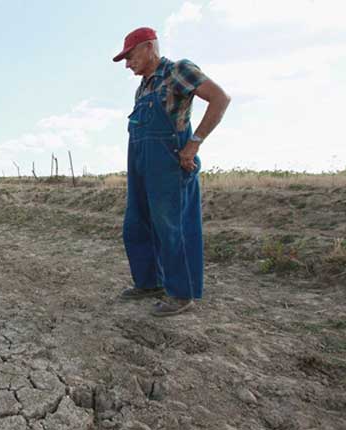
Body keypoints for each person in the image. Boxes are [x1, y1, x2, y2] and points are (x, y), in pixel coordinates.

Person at [113, 27, 230, 316]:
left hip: (168, 161)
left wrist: (194, 144)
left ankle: (181, 293)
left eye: (130, 56)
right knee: (136, 224)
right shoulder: (143, 87)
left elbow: (220, 98)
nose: (127, 64)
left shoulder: (178, 71)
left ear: (149, 47)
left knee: (172, 226)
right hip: (140, 161)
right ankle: (149, 283)